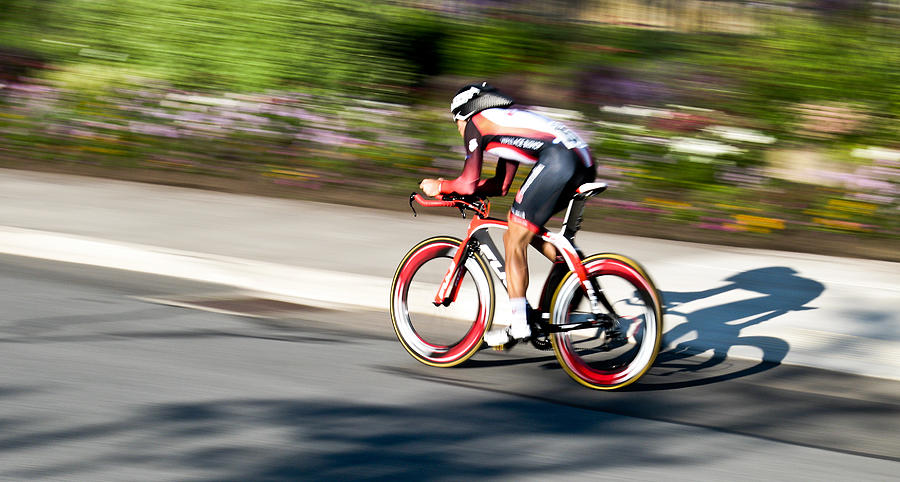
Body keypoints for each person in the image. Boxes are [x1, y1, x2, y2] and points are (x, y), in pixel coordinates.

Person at [419, 81, 596, 347]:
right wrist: (459, 189)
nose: (458, 129)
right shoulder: (503, 122)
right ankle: (552, 315)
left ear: (462, 113)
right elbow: (501, 185)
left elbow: (468, 183)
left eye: (454, 122)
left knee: (514, 238)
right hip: (583, 160)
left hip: (560, 160)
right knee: (536, 236)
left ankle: (519, 325)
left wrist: (441, 186)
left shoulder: (475, 123)